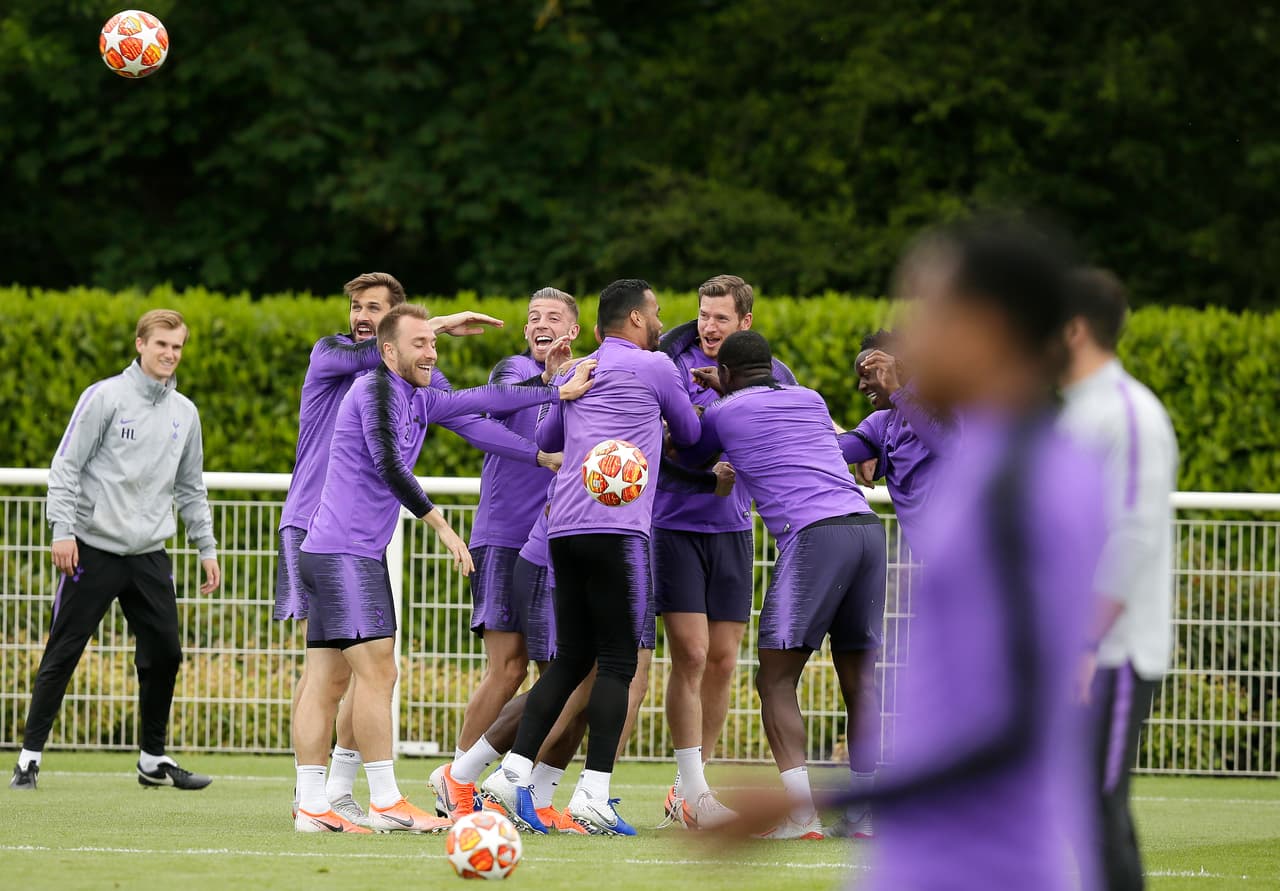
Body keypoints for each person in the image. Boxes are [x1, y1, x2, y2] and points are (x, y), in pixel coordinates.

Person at [717, 220, 1106, 888]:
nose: (913, 340)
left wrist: (808, 801)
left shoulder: (1027, 479)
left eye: (930, 315)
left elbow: (1016, 726)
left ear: (987, 329)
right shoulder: (981, 455)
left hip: (986, 868)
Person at [291, 303, 595, 833]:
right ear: (389, 352)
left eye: (434, 343)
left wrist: (551, 391)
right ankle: (385, 802)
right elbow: (388, 463)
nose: (432, 352)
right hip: (345, 554)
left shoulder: (418, 395)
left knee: (326, 679)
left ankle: (313, 806)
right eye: (421, 343)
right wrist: (442, 526)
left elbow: (481, 400)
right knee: (378, 673)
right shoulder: (377, 388)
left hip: (335, 551)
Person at [496, 278, 702, 836]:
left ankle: (509, 774)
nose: (660, 321)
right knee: (618, 663)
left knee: (570, 659)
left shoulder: (580, 368)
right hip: (618, 528)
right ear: (635, 318)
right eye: (655, 312)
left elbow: (550, 435)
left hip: (563, 528)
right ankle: (593, 794)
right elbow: (690, 434)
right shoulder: (657, 366)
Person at [680, 329, 886, 840]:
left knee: (774, 678)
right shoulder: (809, 398)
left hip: (814, 536)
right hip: (866, 528)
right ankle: (864, 815)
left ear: (724, 373)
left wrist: (702, 403)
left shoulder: (723, 410)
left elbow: (691, 453)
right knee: (859, 680)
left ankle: (801, 815)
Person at [11, 309, 221, 792]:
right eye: (161, 344)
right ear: (140, 344)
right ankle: (28, 761)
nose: (170, 354)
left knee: (166, 653)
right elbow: (66, 466)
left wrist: (206, 547)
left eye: (177, 346)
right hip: (92, 550)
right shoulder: (104, 397)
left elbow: (191, 487)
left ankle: (152, 759)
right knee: (64, 651)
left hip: (149, 554)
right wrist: (62, 530)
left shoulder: (185, 413)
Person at [652, 275, 796, 830]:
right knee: (690, 654)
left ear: (745, 323)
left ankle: (691, 789)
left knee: (723, 660)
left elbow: (794, 421)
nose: (709, 327)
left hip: (734, 529)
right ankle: (693, 791)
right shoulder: (671, 361)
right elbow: (661, 442)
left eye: (721, 318)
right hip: (673, 526)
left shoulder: (769, 372)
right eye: (703, 315)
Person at [434, 288, 579, 812]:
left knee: (555, 671)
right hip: (503, 534)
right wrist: (550, 387)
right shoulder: (514, 371)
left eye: (553, 318)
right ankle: (455, 784)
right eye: (533, 317)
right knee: (508, 667)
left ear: (573, 332)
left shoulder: (583, 378)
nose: (541, 324)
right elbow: (492, 417)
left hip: (556, 540)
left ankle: (525, 791)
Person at [1059, 268, 1177, 891]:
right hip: (1081, 652)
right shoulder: (1075, 413)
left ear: (1074, 329)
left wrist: (1084, 642)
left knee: (1097, 813)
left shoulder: (1129, 414)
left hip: (1113, 653)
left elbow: (1133, 537)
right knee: (1080, 813)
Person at [837, 329, 952, 556]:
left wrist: (897, 392)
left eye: (867, 374)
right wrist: (810, 403)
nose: (861, 386)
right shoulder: (881, 423)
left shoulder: (943, 394)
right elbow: (829, 450)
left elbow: (949, 443)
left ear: (894, 368)